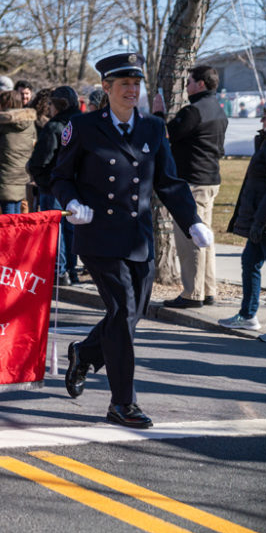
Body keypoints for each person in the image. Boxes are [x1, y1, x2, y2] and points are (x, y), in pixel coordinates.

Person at [52, 52, 213, 429]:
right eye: (124, 83)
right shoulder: (83, 126)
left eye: (136, 84)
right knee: (123, 313)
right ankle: (123, 403)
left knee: (130, 315)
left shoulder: (153, 129)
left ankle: (86, 353)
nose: (131, 90)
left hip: (138, 240)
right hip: (98, 238)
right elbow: (60, 176)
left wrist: (192, 221)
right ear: (106, 88)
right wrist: (72, 202)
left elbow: (169, 183)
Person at [151, 65, 228, 308]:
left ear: (201, 84)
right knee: (205, 237)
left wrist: (158, 115)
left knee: (190, 235)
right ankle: (208, 289)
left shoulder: (193, 111)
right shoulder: (218, 109)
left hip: (193, 182)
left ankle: (192, 293)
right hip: (210, 180)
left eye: (189, 82)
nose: (186, 87)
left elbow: (164, 135)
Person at [220, 100, 266, 337]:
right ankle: (248, 315)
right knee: (250, 263)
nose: (262, 120)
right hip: (259, 222)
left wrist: (260, 222)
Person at [28, 86, 81, 284]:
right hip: (76, 185)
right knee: (71, 228)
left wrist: (38, 175)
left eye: (50, 103)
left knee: (55, 229)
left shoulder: (54, 126)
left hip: (53, 185)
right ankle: (71, 269)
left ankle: (59, 271)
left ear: (59, 104)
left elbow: (40, 160)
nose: (48, 107)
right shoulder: (83, 124)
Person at [0, 90, 36, 215]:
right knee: (17, 207)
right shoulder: (29, 121)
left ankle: (10, 234)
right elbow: (33, 142)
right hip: (22, 169)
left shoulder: (1, 120)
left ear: (3, 104)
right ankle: (17, 234)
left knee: (7, 212)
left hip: (4, 170)